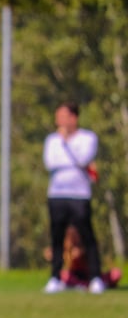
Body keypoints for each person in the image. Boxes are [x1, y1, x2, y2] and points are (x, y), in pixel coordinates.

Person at [42, 101, 103, 294]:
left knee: (87, 237)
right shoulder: (52, 140)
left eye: (62, 116)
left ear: (73, 117)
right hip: (57, 195)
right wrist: (68, 158)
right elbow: (50, 162)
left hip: (80, 195)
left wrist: (66, 144)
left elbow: (83, 159)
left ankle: (95, 278)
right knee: (57, 237)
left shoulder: (88, 138)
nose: (58, 120)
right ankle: (55, 278)